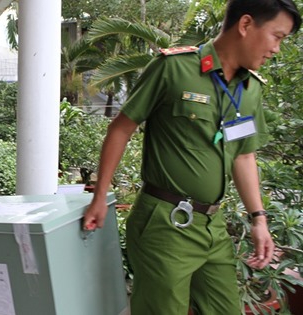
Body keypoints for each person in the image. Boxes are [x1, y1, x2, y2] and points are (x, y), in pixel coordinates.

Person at [82, 0, 301, 314]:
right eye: (277, 36)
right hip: (165, 222)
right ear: (246, 25)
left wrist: (259, 219)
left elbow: (243, 156)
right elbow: (121, 128)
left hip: (212, 225)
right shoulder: (174, 67)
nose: (277, 49)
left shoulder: (249, 88)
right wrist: (100, 196)